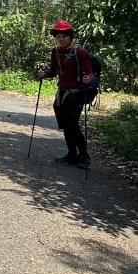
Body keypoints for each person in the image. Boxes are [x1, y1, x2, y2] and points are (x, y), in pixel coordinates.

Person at [37, 20, 95, 168]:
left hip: (76, 94)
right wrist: (44, 73)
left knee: (72, 124)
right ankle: (72, 155)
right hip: (61, 93)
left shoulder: (80, 52)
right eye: (58, 36)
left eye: (64, 36)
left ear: (70, 36)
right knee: (65, 125)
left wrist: (88, 79)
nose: (61, 39)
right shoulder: (56, 51)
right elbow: (53, 71)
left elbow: (90, 73)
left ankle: (84, 157)